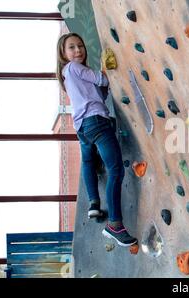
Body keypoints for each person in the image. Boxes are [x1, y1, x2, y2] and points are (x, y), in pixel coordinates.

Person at [56, 33, 137, 247]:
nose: (78, 50)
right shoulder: (74, 68)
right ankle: (114, 225)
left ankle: (93, 201)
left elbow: (98, 93)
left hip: (83, 127)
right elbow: (101, 78)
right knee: (116, 169)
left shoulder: (68, 75)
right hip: (96, 122)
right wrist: (105, 71)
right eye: (72, 47)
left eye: (80, 46)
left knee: (89, 162)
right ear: (63, 54)